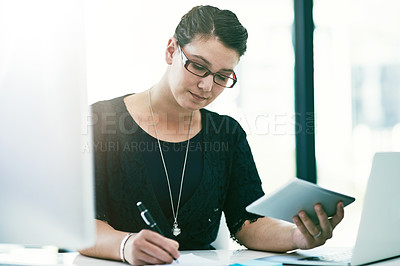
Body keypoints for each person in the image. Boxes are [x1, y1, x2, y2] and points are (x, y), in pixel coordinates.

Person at [79, 5, 344, 265]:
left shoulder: (227, 134)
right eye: (197, 66)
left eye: (222, 76)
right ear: (171, 51)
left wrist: (297, 236)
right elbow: (79, 221)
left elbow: (247, 222)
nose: (207, 86)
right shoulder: (101, 122)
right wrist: (125, 245)